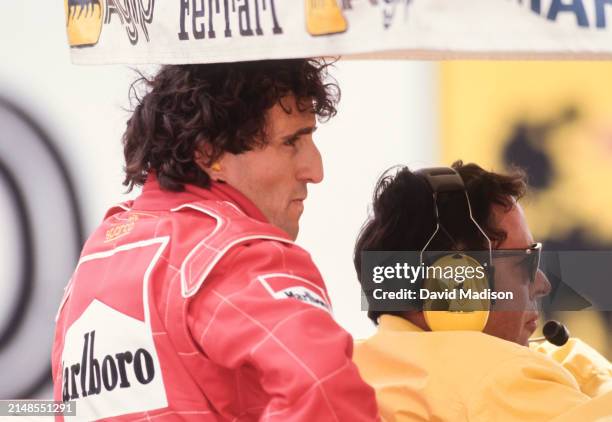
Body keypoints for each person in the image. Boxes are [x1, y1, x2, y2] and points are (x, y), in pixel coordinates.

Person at [52, 59, 379, 421]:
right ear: (209, 153)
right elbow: (325, 387)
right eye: (291, 142)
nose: (315, 170)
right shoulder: (236, 254)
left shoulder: (97, 258)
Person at [353, 161, 612, 421]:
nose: (542, 284)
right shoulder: (500, 376)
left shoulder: (350, 367)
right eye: (524, 261)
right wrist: (590, 372)